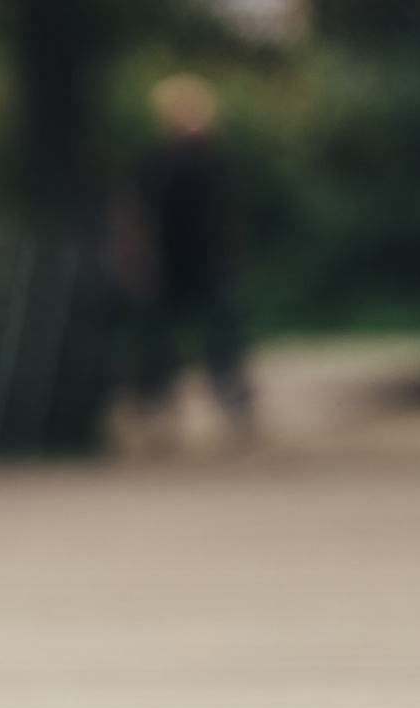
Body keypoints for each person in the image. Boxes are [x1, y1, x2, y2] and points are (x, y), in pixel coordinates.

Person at [119, 73, 254, 441]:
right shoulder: (152, 162)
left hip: (208, 265)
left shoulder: (213, 161)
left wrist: (230, 255)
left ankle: (236, 408)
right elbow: (135, 214)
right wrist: (138, 260)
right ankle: (154, 413)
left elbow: (225, 214)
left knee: (222, 338)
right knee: (157, 345)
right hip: (165, 265)